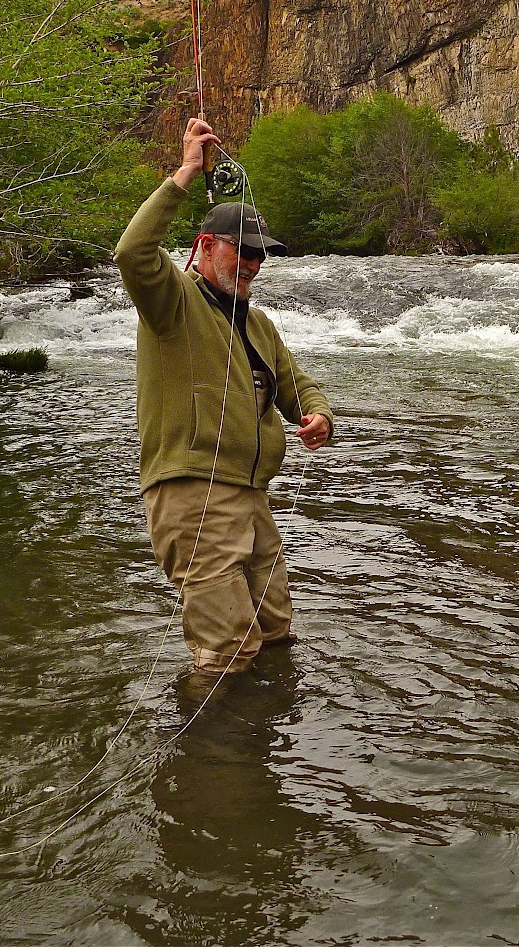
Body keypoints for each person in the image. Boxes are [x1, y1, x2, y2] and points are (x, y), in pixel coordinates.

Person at [114, 116, 334, 681]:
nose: (254, 265)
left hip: (252, 497)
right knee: (228, 659)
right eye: (244, 252)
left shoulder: (258, 323)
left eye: (262, 255)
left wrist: (318, 416)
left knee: (277, 634)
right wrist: (186, 171)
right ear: (205, 247)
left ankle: (267, 754)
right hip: (192, 495)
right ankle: (210, 765)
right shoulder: (171, 303)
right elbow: (133, 253)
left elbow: (297, 385)